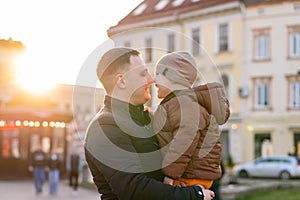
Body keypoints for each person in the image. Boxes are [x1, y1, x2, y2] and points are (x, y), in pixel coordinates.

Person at [84, 47, 215, 200]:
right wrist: (194, 194)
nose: (151, 79)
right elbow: (134, 189)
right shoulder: (104, 127)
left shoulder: (150, 118)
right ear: (121, 81)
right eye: (142, 73)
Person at [153, 51, 230, 189]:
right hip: (188, 174)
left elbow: (184, 140)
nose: (154, 80)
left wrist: (171, 175)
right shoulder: (179, 102)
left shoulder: (184, 103)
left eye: (158, 74)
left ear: (173, 76)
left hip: (188, 177)